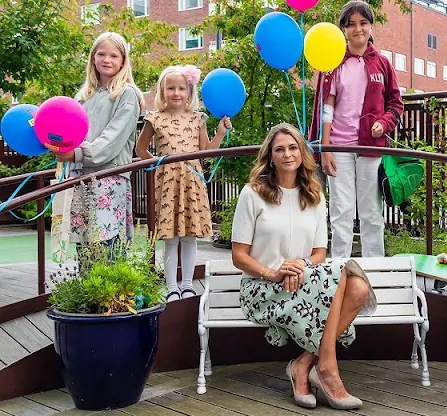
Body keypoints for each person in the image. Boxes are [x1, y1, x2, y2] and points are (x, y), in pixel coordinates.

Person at [231, 123, 377, 410]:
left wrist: (300, 266)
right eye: (280, 149)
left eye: (293, 147)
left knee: (358, 287)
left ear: (302, 153)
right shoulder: (253, 193)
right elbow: (238, 256)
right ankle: (328, 372)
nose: (287, 154)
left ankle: (304, 365)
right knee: (341, 275)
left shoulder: (314, 194)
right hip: (263, 287)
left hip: (304, 280)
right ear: (270, 156)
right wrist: (274, 272)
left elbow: (319, 252)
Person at [308, 0, 403, 258]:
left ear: (371, 26)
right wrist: (324, 150)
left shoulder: (382, 64)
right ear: (343, 29)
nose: (357, 29)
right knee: (341, 212)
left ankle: (376, 269)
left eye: (363, 23)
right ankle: (340, 270)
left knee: (372, 212)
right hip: (338, 148)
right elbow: (325, 109)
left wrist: (383, 123)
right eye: (351, 24)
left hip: (370, 148)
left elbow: (396, 104)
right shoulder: (333, 63)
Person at [136, 65, 232, 302]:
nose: (176, 93)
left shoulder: (197, 119)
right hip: (168, 184)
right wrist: (159, 165)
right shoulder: (154, 119)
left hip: (192, 182)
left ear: (189, 92)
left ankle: (187, 284)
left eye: (181, 88)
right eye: (171, 88)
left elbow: (206, 153)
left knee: (189, 236)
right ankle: (171, 287)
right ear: (162, 91)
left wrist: (219, 133)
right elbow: (140, 149)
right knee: (170, 238)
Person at [49, 32, 144, 250]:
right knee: (84, 247)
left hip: (108, 176)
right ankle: (84, 286)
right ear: (93, 58)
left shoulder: (126, 94)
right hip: (80, 176)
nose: (107, 60)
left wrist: (77, 154)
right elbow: (69, 133)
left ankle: (113, 285)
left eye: (114, 55)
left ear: (122, 62)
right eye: (101, 54)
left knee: (106, 246)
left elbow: (112, 139)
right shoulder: (82, 96)